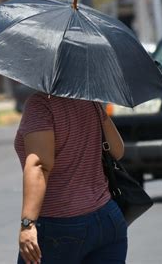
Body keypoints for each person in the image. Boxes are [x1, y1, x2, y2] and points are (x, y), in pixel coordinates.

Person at [14, 92, 127, 264]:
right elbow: (117, 150)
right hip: (107, 219)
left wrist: (27, 225)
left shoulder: (40, 105)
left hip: (60, 226)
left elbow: (39, 165)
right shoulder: (90, 100)